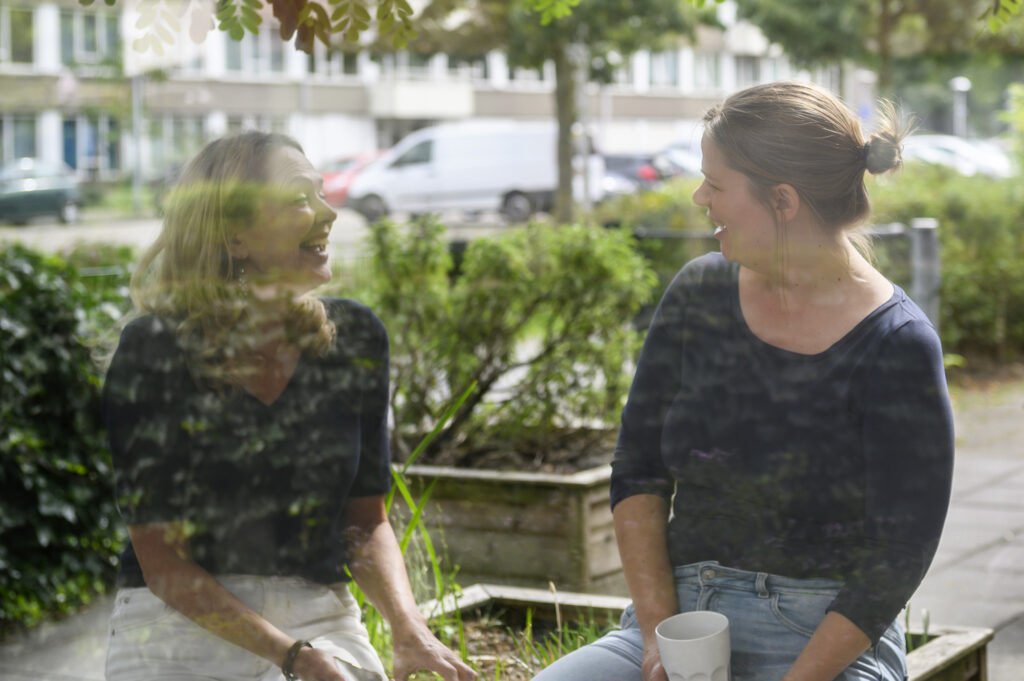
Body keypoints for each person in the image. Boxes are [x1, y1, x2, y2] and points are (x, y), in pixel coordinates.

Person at [531, 81, 954, 681]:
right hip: (681, 617)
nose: (700, 198)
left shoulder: (898, 344)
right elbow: (638, 470)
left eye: (716, 184)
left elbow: (901, 551)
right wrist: (656, 638)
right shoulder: (697, 293)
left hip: (827, 643)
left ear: (782, 200)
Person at [102, 131, 476, 681]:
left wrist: (408, 627)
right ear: (234, 236)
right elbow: (162, 563)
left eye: (322, 194)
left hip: (319, 614)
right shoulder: (153, 351)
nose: (329, 213)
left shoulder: (356, 337)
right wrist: (294, 657)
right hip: (176, 623)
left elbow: (365, 524)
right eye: (301, 198)